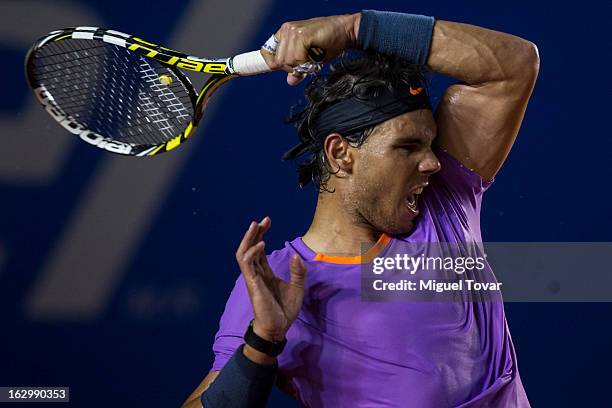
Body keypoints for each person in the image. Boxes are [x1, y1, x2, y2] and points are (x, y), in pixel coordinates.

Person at [182, 9, 539, 408]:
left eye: (430, 144)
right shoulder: (280, 280)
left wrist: (353, 29)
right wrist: (262, 342)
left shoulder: (445, 201)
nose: (433, 163)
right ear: (341, 154)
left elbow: (514, 66)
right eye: (407, 147)